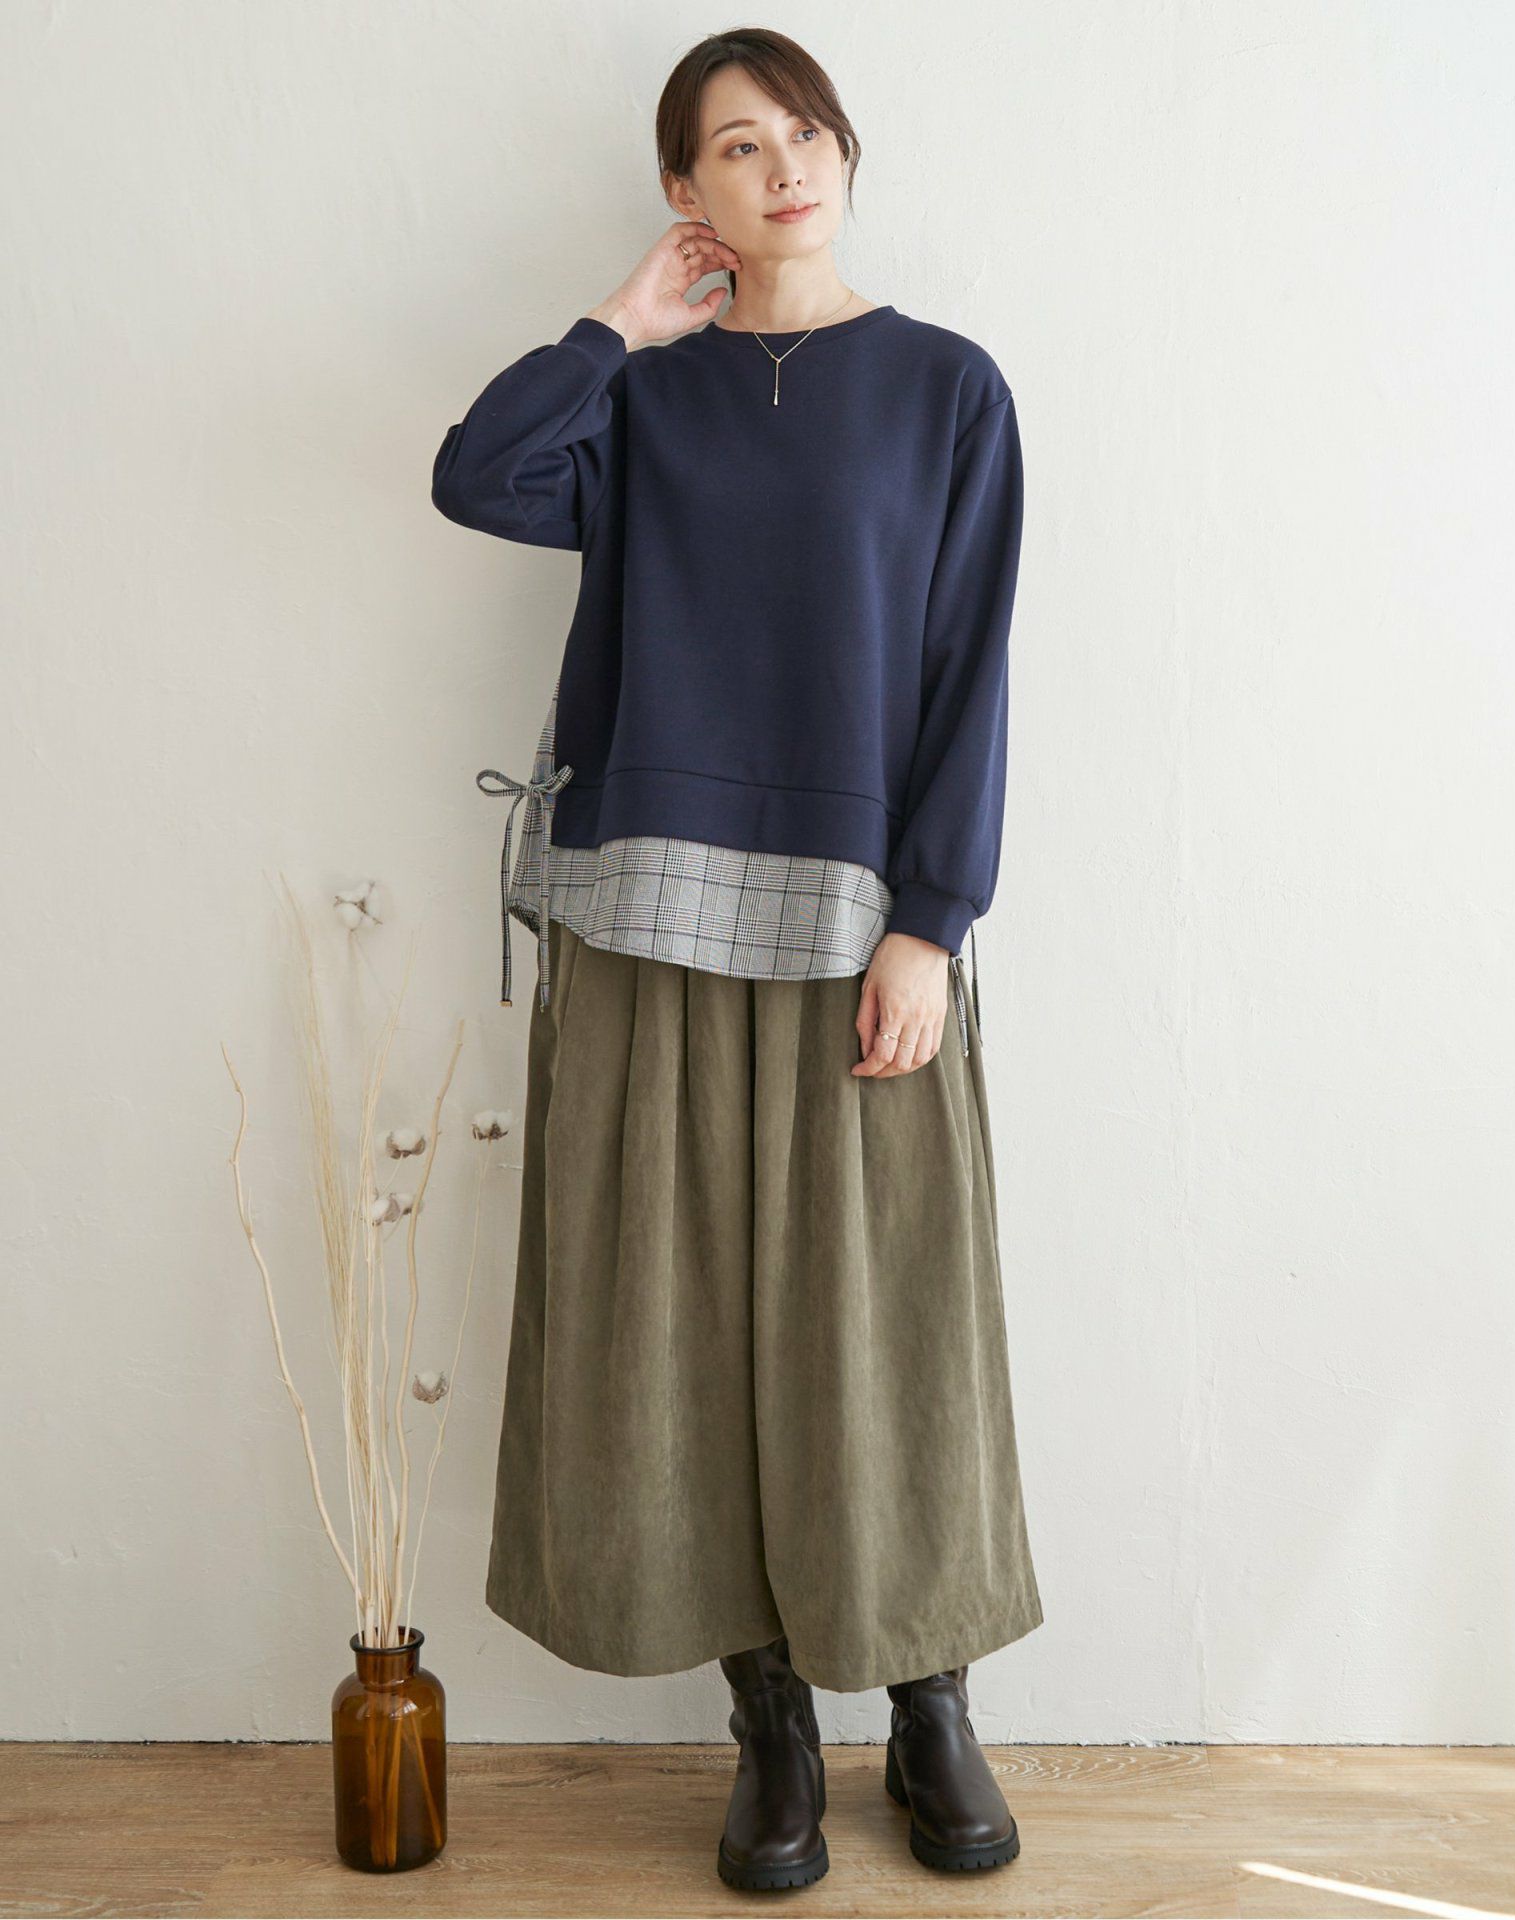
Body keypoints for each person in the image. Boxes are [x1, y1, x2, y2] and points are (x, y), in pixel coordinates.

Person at [431, 25, 1043, 1892]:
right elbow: (476, 476)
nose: (785, 167)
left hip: (860, 929)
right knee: (682, 1326)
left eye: (805, 133)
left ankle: (927, 1704)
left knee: (891, 1326)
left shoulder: (946, 390)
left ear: (845, 153)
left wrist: (933, 921)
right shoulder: (641, 402)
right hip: (646, 919)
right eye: (736, 145)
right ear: (685, 190)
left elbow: (970, 669)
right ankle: (768, 1721)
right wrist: (617, 325)